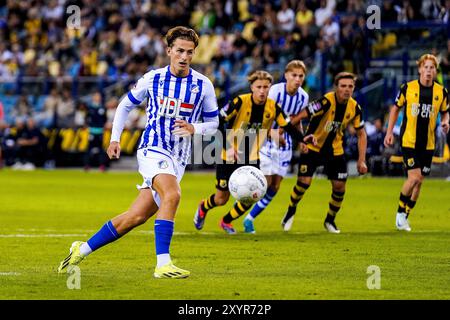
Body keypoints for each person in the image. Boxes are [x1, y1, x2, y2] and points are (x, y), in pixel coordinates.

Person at [57, 26, 219, 279]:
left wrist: (194, 127)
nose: (184, 56)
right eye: (179, 51)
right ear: (168, 51)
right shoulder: (152, 78)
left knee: (136, 216)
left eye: (189, 52)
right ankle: (163, 263)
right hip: (152, 149)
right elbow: (124, 106)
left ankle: (83, 248)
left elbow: (214, 123)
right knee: (173, 195)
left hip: (178, 158)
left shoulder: (203, 85)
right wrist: (115, 139)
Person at [193, 70, 315, 234]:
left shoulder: (273, 107)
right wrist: (228, 147)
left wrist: (302, 139)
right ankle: (203, 207)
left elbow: (288, 127)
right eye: (259, 87)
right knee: (221, 199)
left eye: (266, 87)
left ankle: (226, 221)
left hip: (251, 156)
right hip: (228, 156)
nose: (262, 91)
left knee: (253, 194)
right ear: (252, 87)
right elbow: (218, 123)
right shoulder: (239, 102)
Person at [281, 72, 368, 233]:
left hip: (335, 151)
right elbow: (302, 114)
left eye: (350, 86)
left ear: (354, 88)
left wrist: (361, 160)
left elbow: (361, 133)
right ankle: (291, 210)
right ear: (336, 87)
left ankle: (330, 220)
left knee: (339, 187)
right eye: (343, 86)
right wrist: (284, 132)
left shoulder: (355, 107)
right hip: (312, 148)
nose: (347, 90)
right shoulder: (326, 101)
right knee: (303, 183)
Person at [242, 60, 309, 233]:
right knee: (264, 183)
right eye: (294, 75)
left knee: (275, 187)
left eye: (301, 76)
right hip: (266, 140)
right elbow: (263, 116)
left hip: (285, 144)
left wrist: (300, 140)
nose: (297, 79)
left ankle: (249, 218)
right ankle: (239, 205)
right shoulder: (274, 91)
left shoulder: (303, 97)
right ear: (286, 75)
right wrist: (272, 134)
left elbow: (297, 121)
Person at [384, 54, 449, 232]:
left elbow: (445, 112)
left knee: (419, 182)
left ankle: (406, 215)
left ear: (436, 71)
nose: (429, 71)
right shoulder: (408, 88)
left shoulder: (441, 92)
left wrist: (445, 121)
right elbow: (395, 108)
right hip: (409, 141)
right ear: (420, 69)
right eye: (426, 67)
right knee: (414, 177)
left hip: (428, 144)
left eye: (432, 68)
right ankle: (399, 215)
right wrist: (389, 132)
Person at [84, 91, 107, 171]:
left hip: (100, 131)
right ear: (93, 97)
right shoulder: (90, 108)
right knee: (89, 149)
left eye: (99, 96)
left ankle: (102, 165)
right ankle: (87, 165)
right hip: (92, 131)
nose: (98, 98)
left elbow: (104, 119)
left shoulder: (102, 108)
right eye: (96, 96)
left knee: (101, 149)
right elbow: (86, 118)